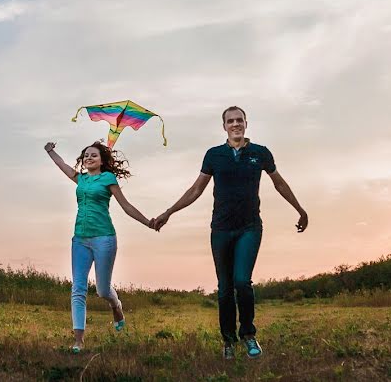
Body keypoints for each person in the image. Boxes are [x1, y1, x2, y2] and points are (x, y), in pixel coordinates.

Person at [151, 106, 308, 360]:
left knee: (242, 282)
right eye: (230, 121)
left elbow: (279, 183)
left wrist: (300, 209)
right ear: (224, 126)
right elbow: (196, 189)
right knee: (224, 288)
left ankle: (248, 335)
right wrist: (169, 212)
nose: (235, 124)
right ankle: (228, 340)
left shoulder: (260, 153)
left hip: (249, 227)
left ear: (246, 123)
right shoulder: (214, 155)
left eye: (239, 120)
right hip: (221, 229)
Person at [44, 140, 153, 353]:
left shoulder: (108, 178)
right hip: (80, 239)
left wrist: (148, 222)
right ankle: (78, 340)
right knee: (78, 289)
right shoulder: (81, 179)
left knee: (103, 290)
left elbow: (126, 205)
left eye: (93, 155)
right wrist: (50, 151)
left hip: (104, 238)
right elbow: (62, 165)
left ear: (102, 160)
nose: (88, 158)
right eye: (85, 156)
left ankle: (116, 306)